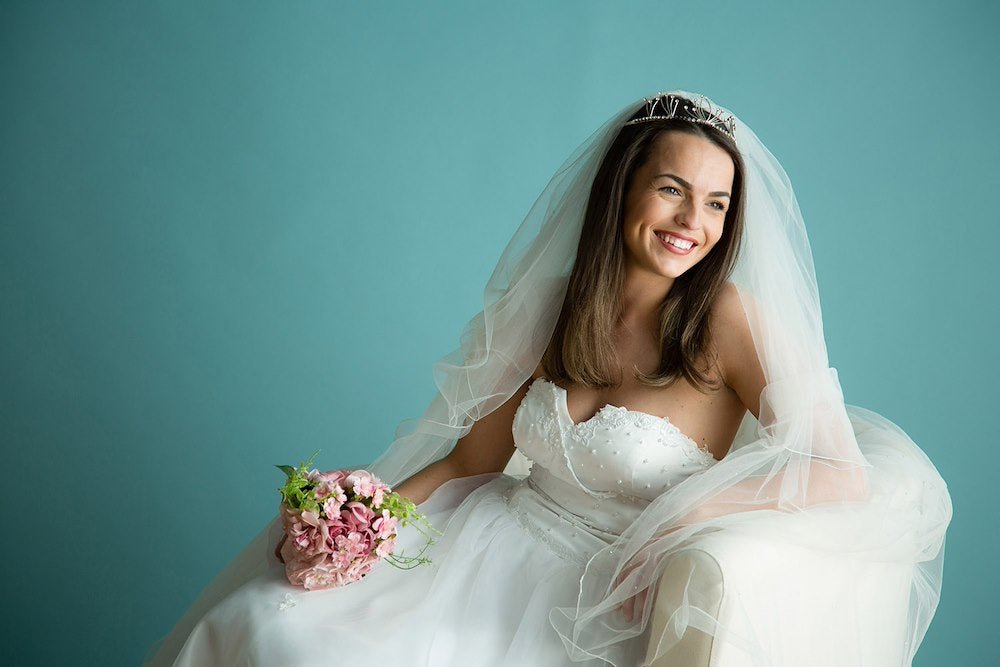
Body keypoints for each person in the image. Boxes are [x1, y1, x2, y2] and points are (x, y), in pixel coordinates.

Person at [144, 91, 952, 666]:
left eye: (716, 203)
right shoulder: (557, 303)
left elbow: (838, 470)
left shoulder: (728, 319)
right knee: (274, 624)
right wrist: (365, 518)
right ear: (623, 189)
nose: (692, 222)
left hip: (590, 595)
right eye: (672, 189)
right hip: (487, 545)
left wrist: (685, 513)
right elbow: (472, 459)